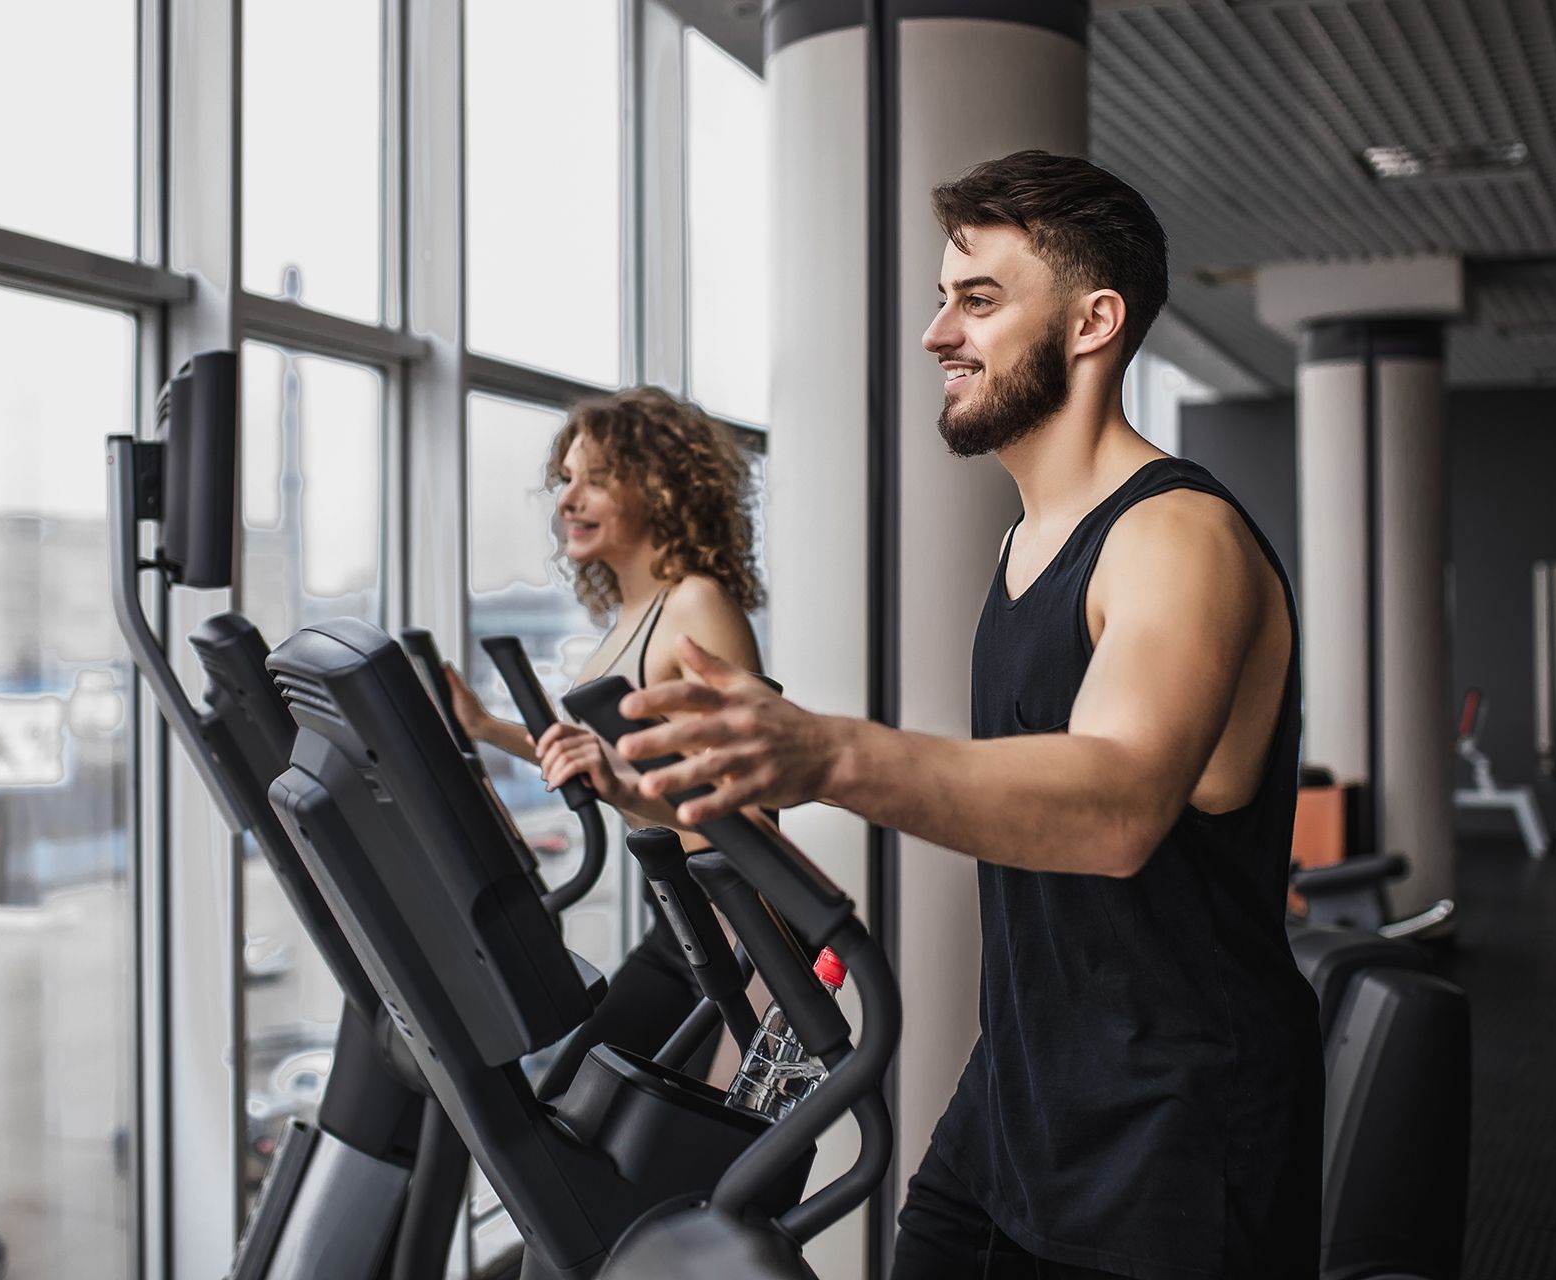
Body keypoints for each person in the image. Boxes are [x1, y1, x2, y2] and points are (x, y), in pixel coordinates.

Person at [604, 152, 1324, 1279]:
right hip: (1020, 1096)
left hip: (1174, 1127)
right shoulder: (1024, 542)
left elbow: (1120, 802)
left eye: (979, 299)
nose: (939, 331)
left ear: (1092, 322)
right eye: (943, 298)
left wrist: (833, 750)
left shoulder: (1177, 536)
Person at [444, 384, 765, 1096]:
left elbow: (747, 811)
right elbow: (601, 754)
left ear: (659, 484)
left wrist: (620, 783)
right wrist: (485, 729)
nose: (567, 501)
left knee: (649, 1153)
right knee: (565, 1112)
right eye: (565, 481)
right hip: (678, 927)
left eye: (595, 480)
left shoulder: (695, 606)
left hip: (743, 941)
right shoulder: (634, 615)